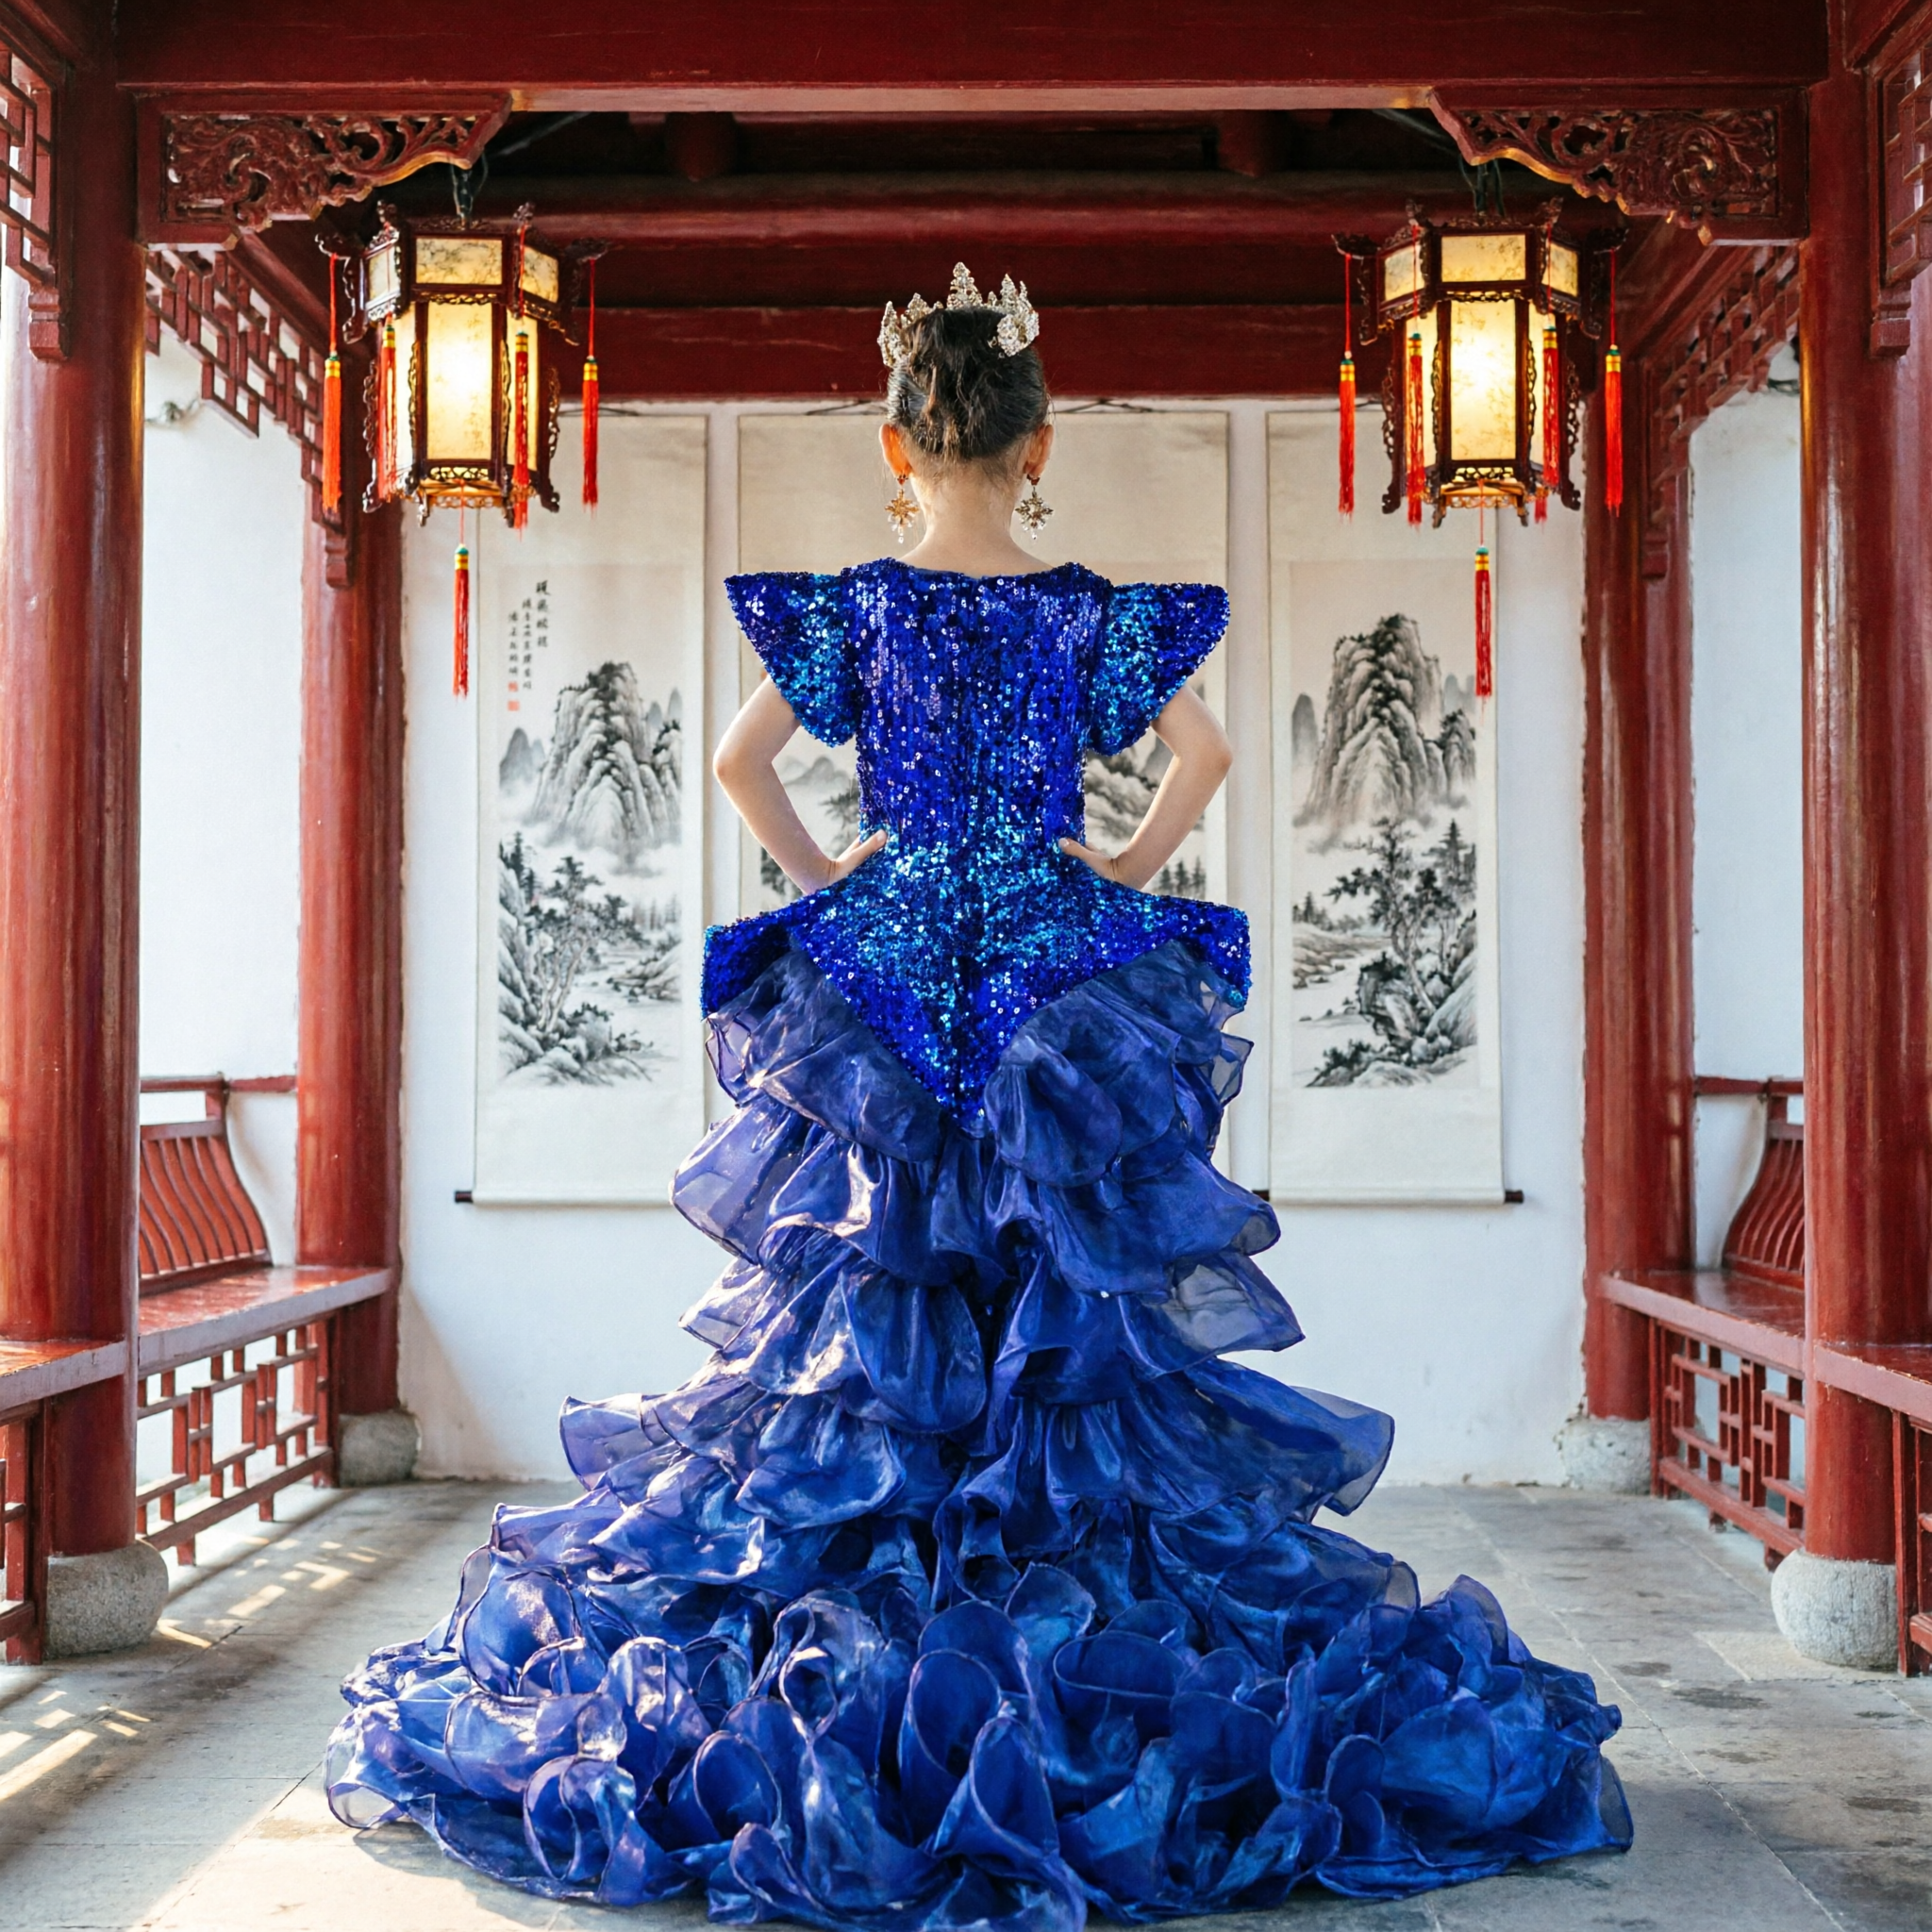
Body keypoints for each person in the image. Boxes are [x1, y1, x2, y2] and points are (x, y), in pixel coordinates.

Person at [325, 265, 1631, 1925]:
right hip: (1050, 967)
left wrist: (835, 871)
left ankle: (874, 1641)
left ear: (896, 445)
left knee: (867, 1309)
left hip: (880, 966)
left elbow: (737, 765)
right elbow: (1209, 760)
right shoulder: (1083, 611)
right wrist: (1120, 868)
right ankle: (1055, 1658)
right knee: (1069, 1319)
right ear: (1040, 445)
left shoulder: (859, 611)